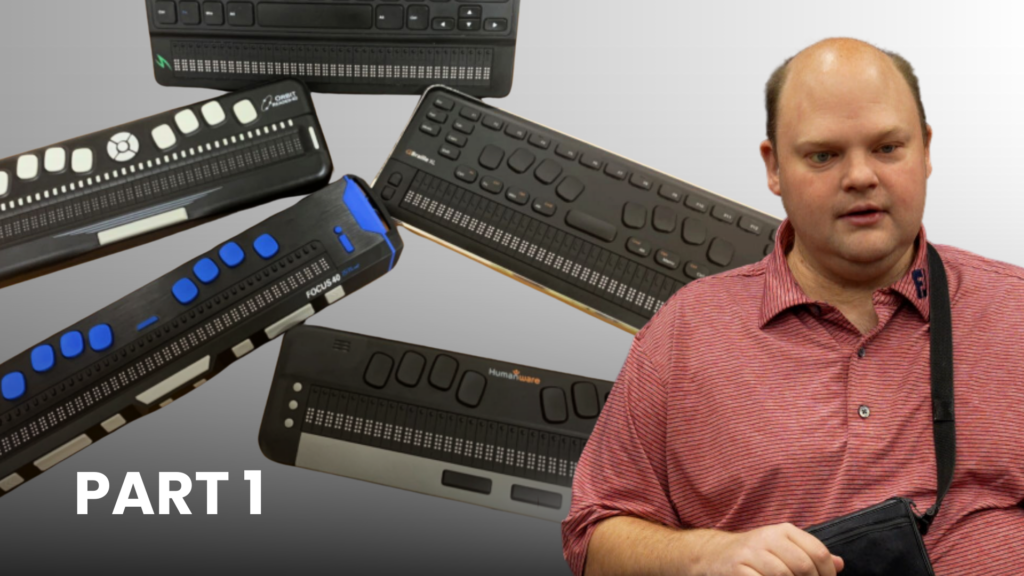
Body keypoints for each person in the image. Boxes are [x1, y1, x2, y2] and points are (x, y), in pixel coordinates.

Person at [562, 38, 1024, 576]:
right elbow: (590, 538)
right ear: (774, 166)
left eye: (887, 148)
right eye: (823, 155)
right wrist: (706, 555)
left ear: (925, 149)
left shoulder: (1014, 310)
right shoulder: (686, 331)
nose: (860, 176)